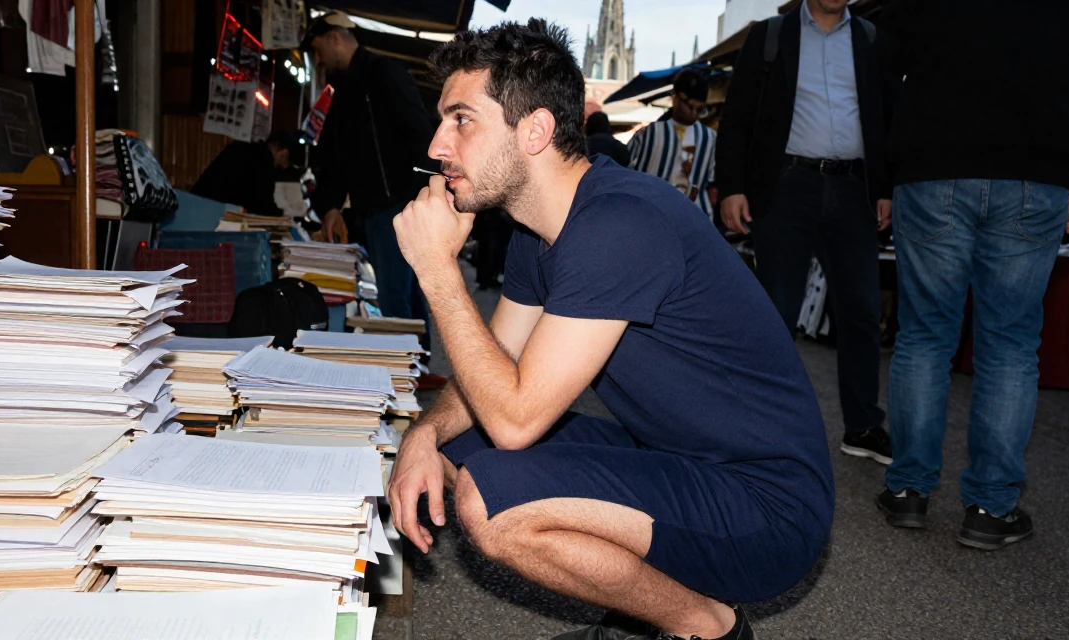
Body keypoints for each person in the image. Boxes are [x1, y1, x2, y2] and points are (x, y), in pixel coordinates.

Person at [388, 19, 834, 640]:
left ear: (536, 130)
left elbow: (515, 421)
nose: (438, 145)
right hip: (676, 458)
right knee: (453, 447)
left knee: (493, 502)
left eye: (461, 120)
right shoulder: (537, 233)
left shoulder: (619, 225)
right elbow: (490, 371)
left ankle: (702, 625)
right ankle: (642, 610)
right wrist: (423, 434)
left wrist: (438, 271)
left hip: (767, 505)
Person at [873, 0, 1069, 549]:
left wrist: (886, 172)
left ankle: (909, 490)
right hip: (1037, 168)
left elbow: (884, 62)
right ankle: (991, 506)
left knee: (925, 335)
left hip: (934, 164)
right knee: (1010, 342)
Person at [716, 0, 893, 466]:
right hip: (787, 187)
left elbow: (885, 116)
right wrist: (731, 187)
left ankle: (863, 425)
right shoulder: (769, 35)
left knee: (861, 311)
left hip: (854, 190)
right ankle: (763, 425)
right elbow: (737, 115)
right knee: (776, 311)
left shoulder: (870, 39)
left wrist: (885, 187)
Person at [303, 11, 438, 353]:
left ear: (335, 38)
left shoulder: (384, 72)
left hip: (397, 205)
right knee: (403, 291)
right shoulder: (345, 88)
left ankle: (405, 364)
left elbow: (420, 135)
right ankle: (419, 360)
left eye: (318, 49)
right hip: (374, 209)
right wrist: (330, 205)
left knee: (394, 296)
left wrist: (425, 197)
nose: (318, 59)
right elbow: (336, 154)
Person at [627, 68, 718, 222]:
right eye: (690, 106)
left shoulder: (710, 138)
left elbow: (712, 186)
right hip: (651, 218)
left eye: (699, 109)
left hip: (691, 221)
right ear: (675, 98)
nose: (694, 113)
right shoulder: (648, 134)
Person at [191, 131, 296, 215]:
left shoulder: (242, 148)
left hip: (196, 205)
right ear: (284, 153)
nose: (285, 166)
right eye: (287, 162)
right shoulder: (263, 162)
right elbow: (263, 204)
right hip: (213, 215)